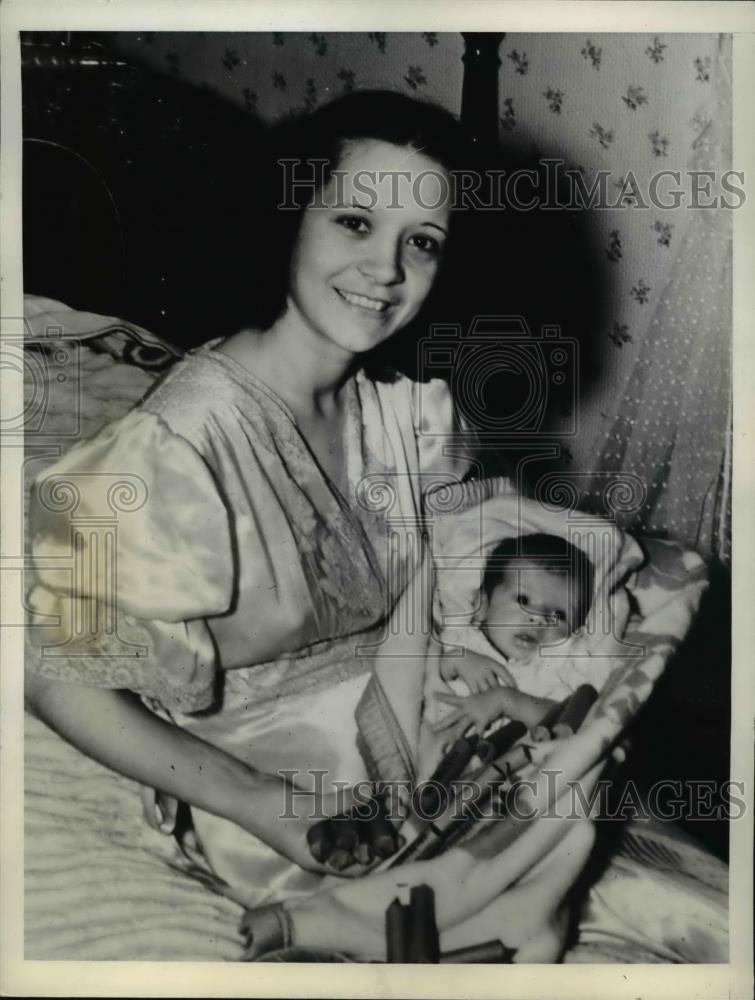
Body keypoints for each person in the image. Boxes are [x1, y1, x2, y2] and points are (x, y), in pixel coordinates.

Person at [24, 90, 486, 908]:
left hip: (407, 724)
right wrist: (260, 804)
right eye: (354, 222)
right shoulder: (174, 443)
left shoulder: (409, 415)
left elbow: (450, 578)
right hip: (282, 783)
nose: (385, 270)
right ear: (290, 218)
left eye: (422, 242)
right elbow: (57, 672)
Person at [436, 533, 595, 734]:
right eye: (523, 599)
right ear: (482, 604)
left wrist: (508, 701)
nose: (538, 618)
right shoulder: (459, 639)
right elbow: (410, 678)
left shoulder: (557, 669)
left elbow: (568, 722)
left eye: (559, 614)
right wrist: (452, 662)